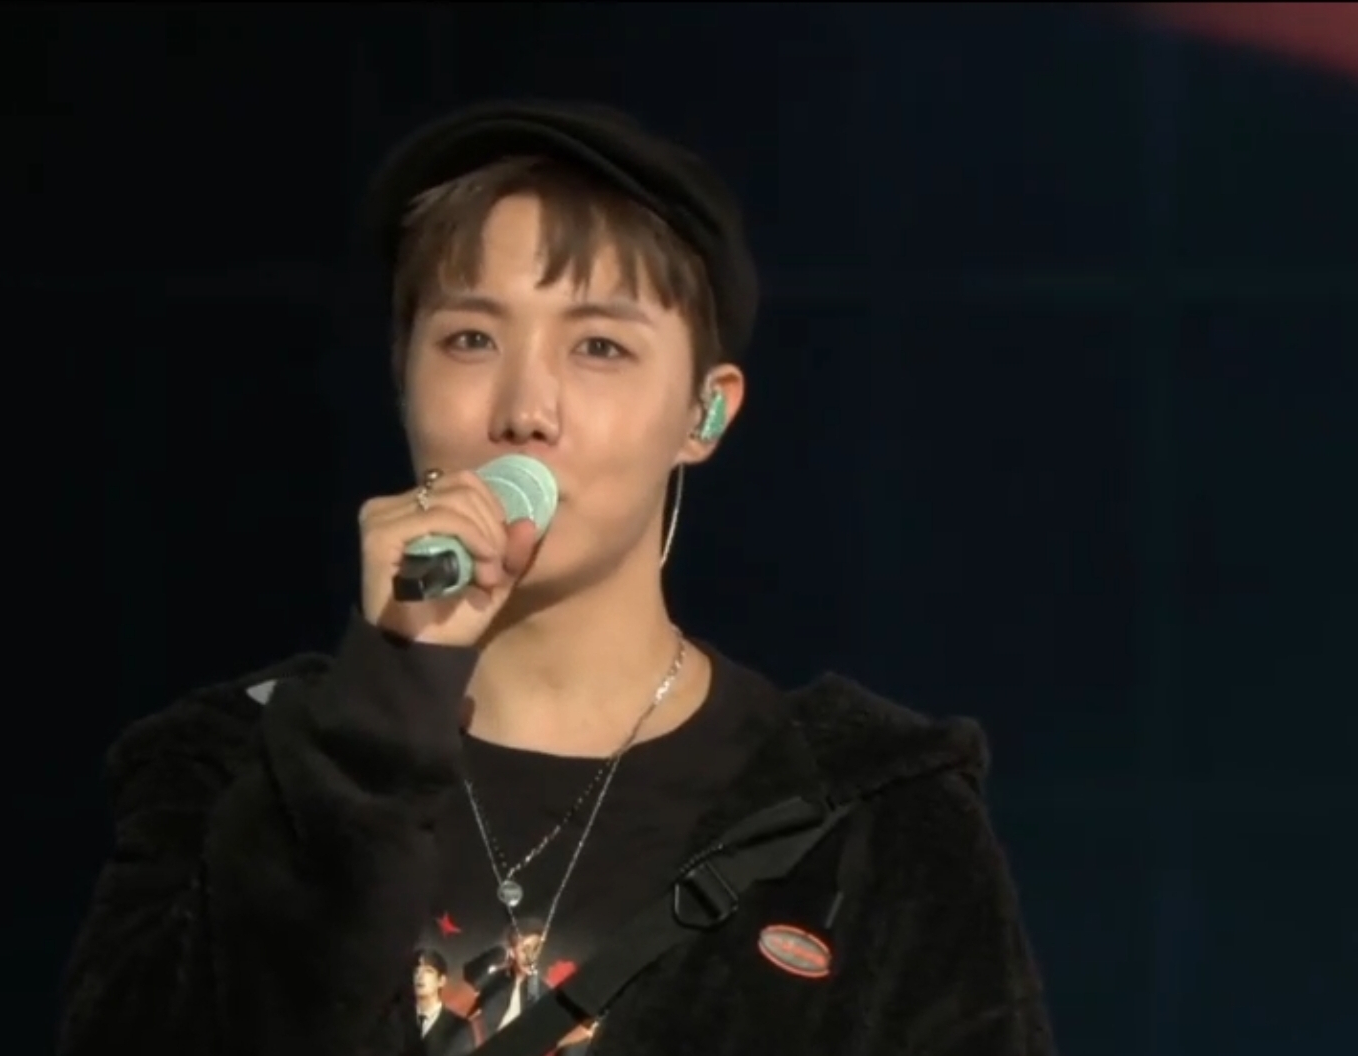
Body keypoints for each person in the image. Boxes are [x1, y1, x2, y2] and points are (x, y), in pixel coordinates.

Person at [56, 101, 1055, 1056]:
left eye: (599, 347)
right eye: (471, 339)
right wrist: (384, 704)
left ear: (705, 413)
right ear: (403, 378)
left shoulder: (873, 821)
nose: (525, 409)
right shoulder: (232, 767)